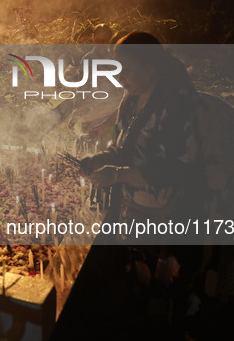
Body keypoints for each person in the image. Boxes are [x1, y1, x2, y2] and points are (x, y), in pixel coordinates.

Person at [79, 32, 207, 329]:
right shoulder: (131, 100)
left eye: (128, 69)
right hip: (136, 210)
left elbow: (177, 170)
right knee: (139, 290)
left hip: (172, 213)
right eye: (117, 69)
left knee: (168, 298)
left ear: (151, 66)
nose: (120, 77)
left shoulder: (179, 104)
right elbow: (125, 147)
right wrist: (101, 159)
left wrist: (117, 175)